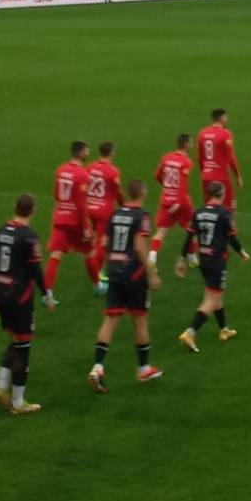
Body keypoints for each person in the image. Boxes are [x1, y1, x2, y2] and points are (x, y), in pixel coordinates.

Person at [88, 179, 163, 390]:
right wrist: (151, 272)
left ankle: (97, 367)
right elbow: (139, 245)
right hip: (133, 273)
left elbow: (104, 243)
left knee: (111, 318)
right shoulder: (142, 216)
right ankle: (144, 369)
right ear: (143, 192)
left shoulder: (115, 214)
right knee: (139, 319)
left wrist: (110, 265)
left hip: (115, 269)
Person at [0, 194, 51, 414]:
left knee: (15, 341)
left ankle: (0, 383)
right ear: (33, 210)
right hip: (20, 297)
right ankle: (17, 402)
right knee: (23, 348)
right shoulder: (29, 237)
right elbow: (35, 270)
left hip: (2, 294)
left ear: (15, 207)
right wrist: (47, 293)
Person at [176, 181, 250, 351]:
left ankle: (224, 329)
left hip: (204, 260)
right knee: (211, 300)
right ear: (222, 194)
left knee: (215, 295)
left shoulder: (199, 211)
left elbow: (189, 236)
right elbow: (231, 237)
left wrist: (182, 258)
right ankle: (190, 332)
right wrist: (242, 252)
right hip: (217, 261)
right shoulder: (224, 213)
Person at [44, 141, 98, 305]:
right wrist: (86, 228)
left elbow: (56, 194)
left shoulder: (61, 170)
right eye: (86, 151)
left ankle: (48, 294)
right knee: (89, 251)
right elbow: (82, 205)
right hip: (75, 220)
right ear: (80, 152)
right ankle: (98, 285)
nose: (88, 153)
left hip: (60, 216)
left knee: (56, 254)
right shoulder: (83, 175)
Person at [149, 134, 199, 271]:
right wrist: (178, 201)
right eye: (191, 143)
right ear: (186, 144)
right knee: (192, 228)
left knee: (161, 231)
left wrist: (167, 186)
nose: (192, 145)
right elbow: (182, 184)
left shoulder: (166, 158)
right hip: (181, 201)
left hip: (166, 199)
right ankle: (192, 258)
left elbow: (157, 175)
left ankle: (152, 258)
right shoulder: (187, 162)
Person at [87, 142, 124, 288]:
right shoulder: (113, 172)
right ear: (112, 152)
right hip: (104, 210)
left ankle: (95, 267)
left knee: (94, 240)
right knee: (102, 242)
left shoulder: (90, 167)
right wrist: (123, 205)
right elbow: (117, 192)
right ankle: (97, 273)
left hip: (89, 207)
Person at [197, 109, 243, 210]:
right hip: (221, 178)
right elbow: (231, 158)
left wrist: (204, 174)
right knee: (228, 208)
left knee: (209, 208)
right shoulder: (225, 134)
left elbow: (200, 158)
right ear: (222, 118)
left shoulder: (202, 133)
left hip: (206, 177)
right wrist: (238, 176)